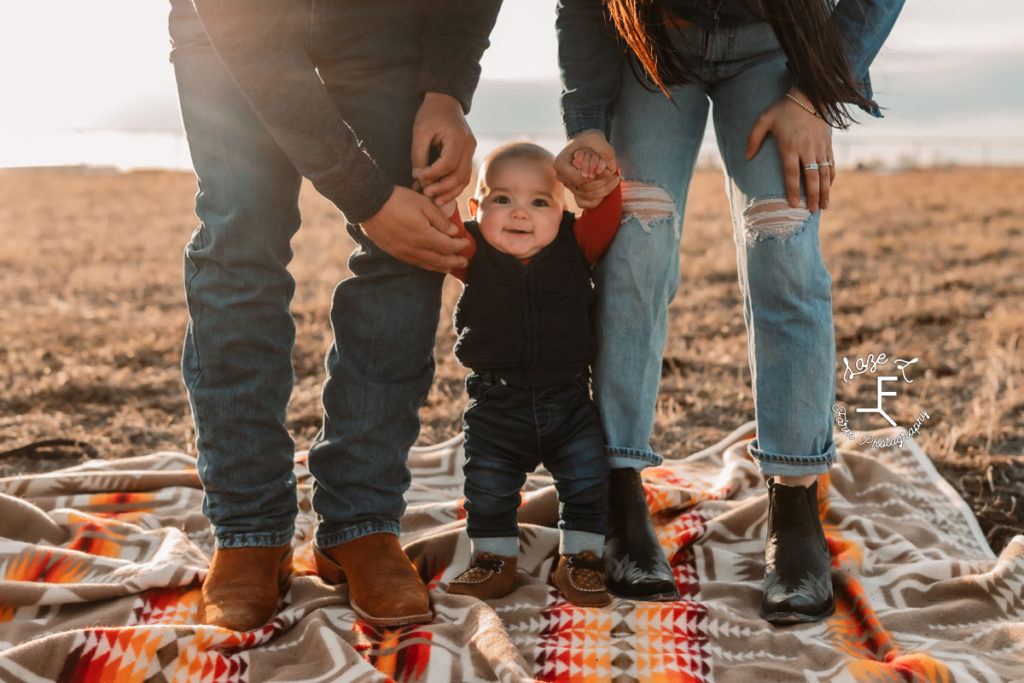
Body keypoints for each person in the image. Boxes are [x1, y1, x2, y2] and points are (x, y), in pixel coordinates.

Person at [554, 0, 904, 622]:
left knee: (783, 246)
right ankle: (617, 490)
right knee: (636, 246)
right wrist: (585, 120)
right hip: (654, 46)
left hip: (779, 44)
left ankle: (794, 505)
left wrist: (814, 96)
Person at [168, 0, 501, 630]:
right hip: (233, 26)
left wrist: (446, 89)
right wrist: (368, 197)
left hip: (389, 23)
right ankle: (249, 531)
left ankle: (361, 523)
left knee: (410, 248)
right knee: (239, 248)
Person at [442, 143, 622, 607]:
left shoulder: (574, 243)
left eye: (539, 202)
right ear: (475, 209)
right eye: (502, 199)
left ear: (562, 211)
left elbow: (604, 216)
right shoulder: (472, 249)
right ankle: (494, 560)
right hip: (497, 404)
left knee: (586, 480)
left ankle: (581, 562)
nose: (520, 213)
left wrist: (600, 184)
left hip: (568, 401)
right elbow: (438, 226)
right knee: (486, 484)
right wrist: (442, 193)